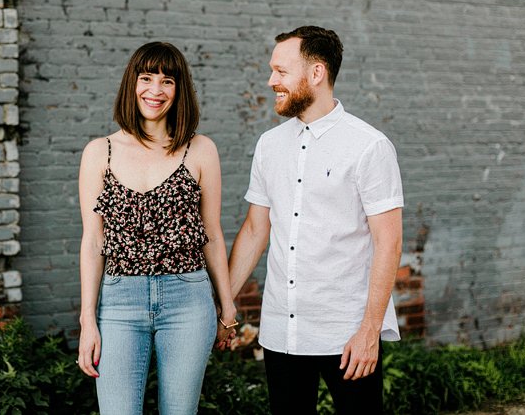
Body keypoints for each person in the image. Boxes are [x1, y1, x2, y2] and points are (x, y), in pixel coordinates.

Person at [227, 26, 404, 414]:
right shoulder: (269, 146)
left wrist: (369, 331)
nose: (271, 81)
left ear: (316, 73)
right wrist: (223, 303)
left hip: (346, 335)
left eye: (281, 71)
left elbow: (388, 243)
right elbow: (257, 230)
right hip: (281, 333)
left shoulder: (370, 147)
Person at [77, 42, 238, 414]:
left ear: (179, 89)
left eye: (167, 80)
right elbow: (93, 241)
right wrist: (89, 319)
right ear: (131, 84)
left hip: (188, 299)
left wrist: (227, 307)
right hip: (119, 301)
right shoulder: (99, 152)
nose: (155, 89)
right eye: (146, 78)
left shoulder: (200, 150)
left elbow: (211, 233)